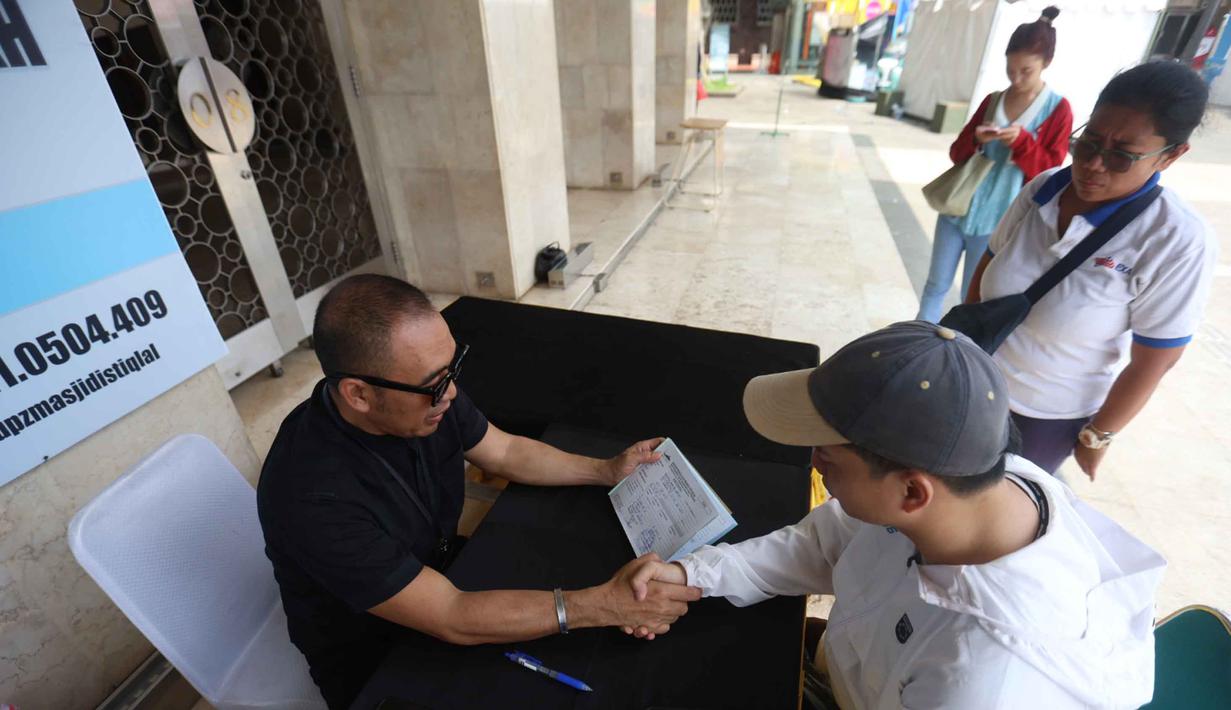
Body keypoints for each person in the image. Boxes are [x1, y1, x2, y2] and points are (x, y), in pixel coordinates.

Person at [625, 322, 1165, 709]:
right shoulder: (974, 487)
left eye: (827, 456)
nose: (812, 465)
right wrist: (693, 573)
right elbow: (825, 542)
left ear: (912, 492)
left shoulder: (982, 681)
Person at [257, 274, 700, 709]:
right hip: (379, 650)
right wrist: (602, 606)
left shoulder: (423, 398)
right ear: (359, 394)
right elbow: (451, 616)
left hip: (446, 576)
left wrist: (605, 470)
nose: (450, 392)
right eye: (435, 384)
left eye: (453, 367)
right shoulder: (312, 496)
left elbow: (503, 450)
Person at [965, 60, 1218, 478]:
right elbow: (988, 265)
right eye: (1087, 143)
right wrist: (965, 354)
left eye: (1122, 156)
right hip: (976, 385)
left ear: (1171, 156)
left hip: (1045, 418)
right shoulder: (1043, 189)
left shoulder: (1175, 239)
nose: (1094, 165)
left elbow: (1155, 360)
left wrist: (1098, 434)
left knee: (990, 520)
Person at [917, 7, 1072, 323]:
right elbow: (956, 152)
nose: (1016, 78)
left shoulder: (1058, 108)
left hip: (999, 219)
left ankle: (962, 358)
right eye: (1010, 69)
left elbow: (1052, 169)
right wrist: (976, 138)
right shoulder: (993, 100)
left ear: (1047, 64)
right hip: (958, 206)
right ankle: (914, 346)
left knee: (971, 297)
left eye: (1026, 71)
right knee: (934, 286)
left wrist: (1022, 143)